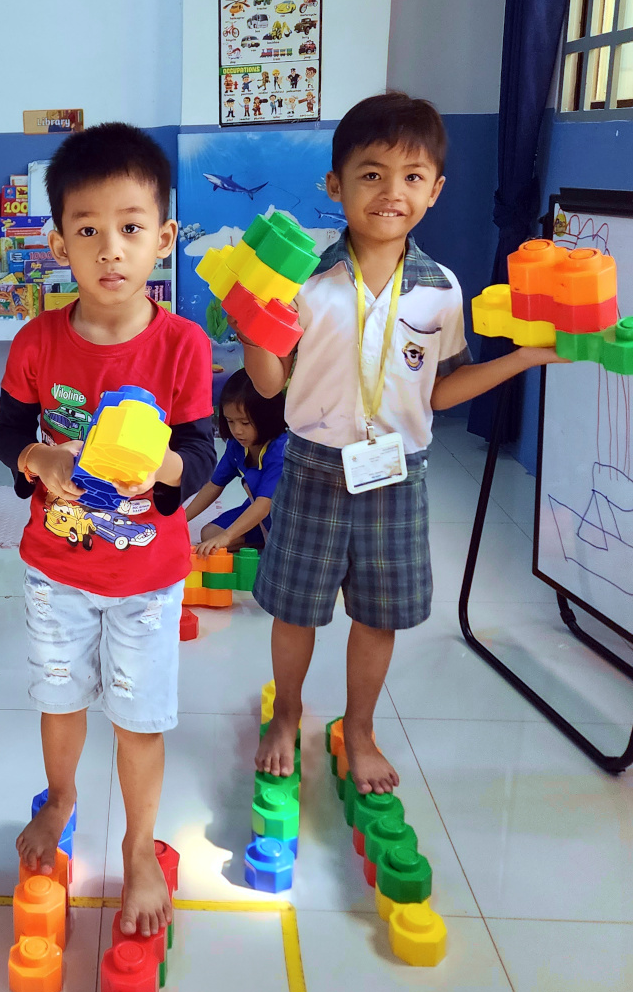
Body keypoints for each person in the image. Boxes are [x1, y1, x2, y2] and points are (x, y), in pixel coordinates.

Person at [242, 92, 566, 795]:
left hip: (396, 472)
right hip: (311, 467)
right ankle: (287, 712)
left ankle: (360, 729)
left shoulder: (441, 290)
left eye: (412, 176)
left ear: (435, 190)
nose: (392, 192)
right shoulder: (305, 281)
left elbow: (440, 391)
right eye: (371, 174)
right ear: (336, 184)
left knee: (378, 614)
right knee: (295, 609)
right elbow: (268, 385)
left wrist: (525, 357)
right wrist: (252, 329)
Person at [0, 123, 215, 936]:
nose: (110, 249)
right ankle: (60, 801)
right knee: (60, 701)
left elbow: (199, 452)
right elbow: (6, 433)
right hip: (57, 569)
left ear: (164, 237)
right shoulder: (36, 341)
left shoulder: (183, 345)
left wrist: (158, 467)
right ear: (59, 244)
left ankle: (139, 847)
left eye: (130, 227)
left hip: (147, 581)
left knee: (139, 718)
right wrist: (38, 459)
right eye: (87, 231)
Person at [185, 368, 287, 556]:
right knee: (209, 535)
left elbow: (264, 505)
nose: (237, 430)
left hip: (284, 518)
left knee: (221, 540)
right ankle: (261, 540)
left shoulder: (280, 450)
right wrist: (180, 520)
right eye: (230, 421)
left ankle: (268, 544)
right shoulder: (236, 446)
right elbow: (213, 485)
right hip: (256, 512)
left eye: (245, 423)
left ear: (267, 417)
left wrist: (227, 537)